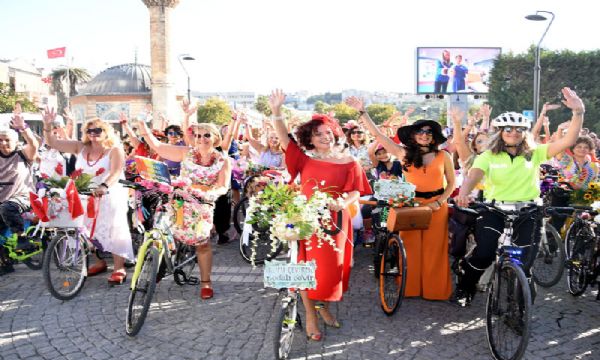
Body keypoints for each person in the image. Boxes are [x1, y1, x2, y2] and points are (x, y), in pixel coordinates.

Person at [454, 87, 585, 305]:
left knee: (525, 261)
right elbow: (473, 176)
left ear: (524, 133)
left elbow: (568, 140)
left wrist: (578, 112)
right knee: (485, 253)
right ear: (500, 133)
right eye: (508, 129)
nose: (513, 133)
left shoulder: (535, 153)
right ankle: (465, 285)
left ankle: (518, 303)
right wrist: (464, 194)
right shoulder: (488, 155)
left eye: (518, 130)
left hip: (529, 211)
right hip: (494, 210)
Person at [270, 90, 372, 341]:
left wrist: (342, 201)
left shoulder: (350, 161)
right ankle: (311, 315)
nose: (325, 137)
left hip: (336, 222)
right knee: (305, 267)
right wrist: (276, 112)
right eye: (318, 134)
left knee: (331, 271)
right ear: (310, 139)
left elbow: (356, 192)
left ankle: (322, 304)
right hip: (304, 220)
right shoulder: (303, 159)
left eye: (328, 132)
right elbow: (284, 137)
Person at [346, 96, 455, 301]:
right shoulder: (402, 153)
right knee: (410, 248)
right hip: (409, 205)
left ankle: (435, 290)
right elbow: (377, 134)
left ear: (433, 137)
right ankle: (410, 288)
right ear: (413, 136)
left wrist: (439, 202)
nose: (424, 135)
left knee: (435, 249)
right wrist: (363, 112)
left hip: (436, 206)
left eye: (428, 132)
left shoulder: (444, 156)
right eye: (420, 132)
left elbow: (451, 183)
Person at [136, 119, 232, 300]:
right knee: (161, 233)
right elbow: (157, 147)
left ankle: (206, 282)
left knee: (202, 243)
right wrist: (143, 128)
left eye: (206, 135)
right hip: (178, 200)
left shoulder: (222, 161)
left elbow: (223, 186)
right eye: (197, 135)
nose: (201, 139)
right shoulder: (186, 153)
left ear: (216, 138)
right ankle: (158, 266)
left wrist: (207, 194)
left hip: (201, 203)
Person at [42, 107, 133, 284]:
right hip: (84, 192)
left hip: (110, 192)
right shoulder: (80, 147)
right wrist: (47, 125)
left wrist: (104, 186)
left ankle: (119, 266)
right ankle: (98, 262)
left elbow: (115, 172)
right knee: (85, 228)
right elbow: (53, 142)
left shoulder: (115, 149)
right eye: (89, 131)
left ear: (106, 132)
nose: (93, 134)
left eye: (97, 130)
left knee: (114, 227)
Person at [0, 104, 39, 265]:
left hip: (22, 197)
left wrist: (23, 128)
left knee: (7, 208)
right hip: (2, 199)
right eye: (0, 140)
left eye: (7, 140)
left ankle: (22, 237)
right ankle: (5, 260)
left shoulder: (22, 155)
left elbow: (34, 144)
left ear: (15, 141)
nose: (3, 143)